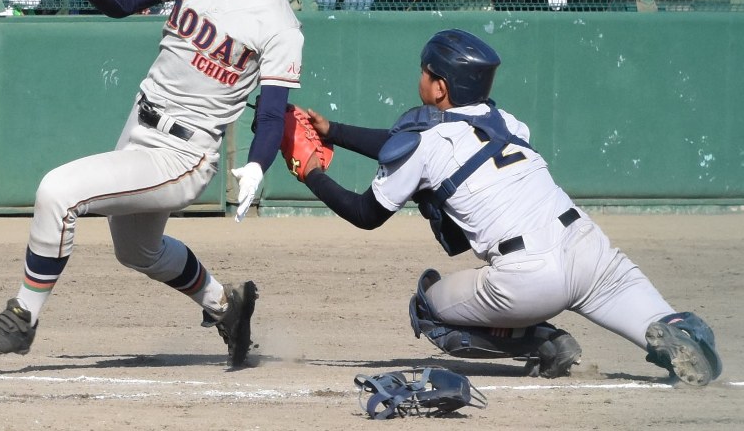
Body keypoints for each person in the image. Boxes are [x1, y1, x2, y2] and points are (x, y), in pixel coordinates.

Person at [0, 0, 311, 368]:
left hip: (182, 154)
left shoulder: (280, 26)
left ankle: (22, 317)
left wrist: (257, 163)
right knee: (137, 251)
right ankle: (226, 307)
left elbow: (272, 113)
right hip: (141, 120)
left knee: (58, 192)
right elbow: (126, 1)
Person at [288, 29, 723, 387]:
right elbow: (429, 144)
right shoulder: (510, 123)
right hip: (589, 250)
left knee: (428, 307)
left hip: (527, 279)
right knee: (657, 320)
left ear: (440, 88)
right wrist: (335, 131)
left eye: (425, 72)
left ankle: (540, 340)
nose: (420, 78)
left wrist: (311, 174)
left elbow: (367, 213)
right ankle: (683, 333)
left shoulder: (423, 144)